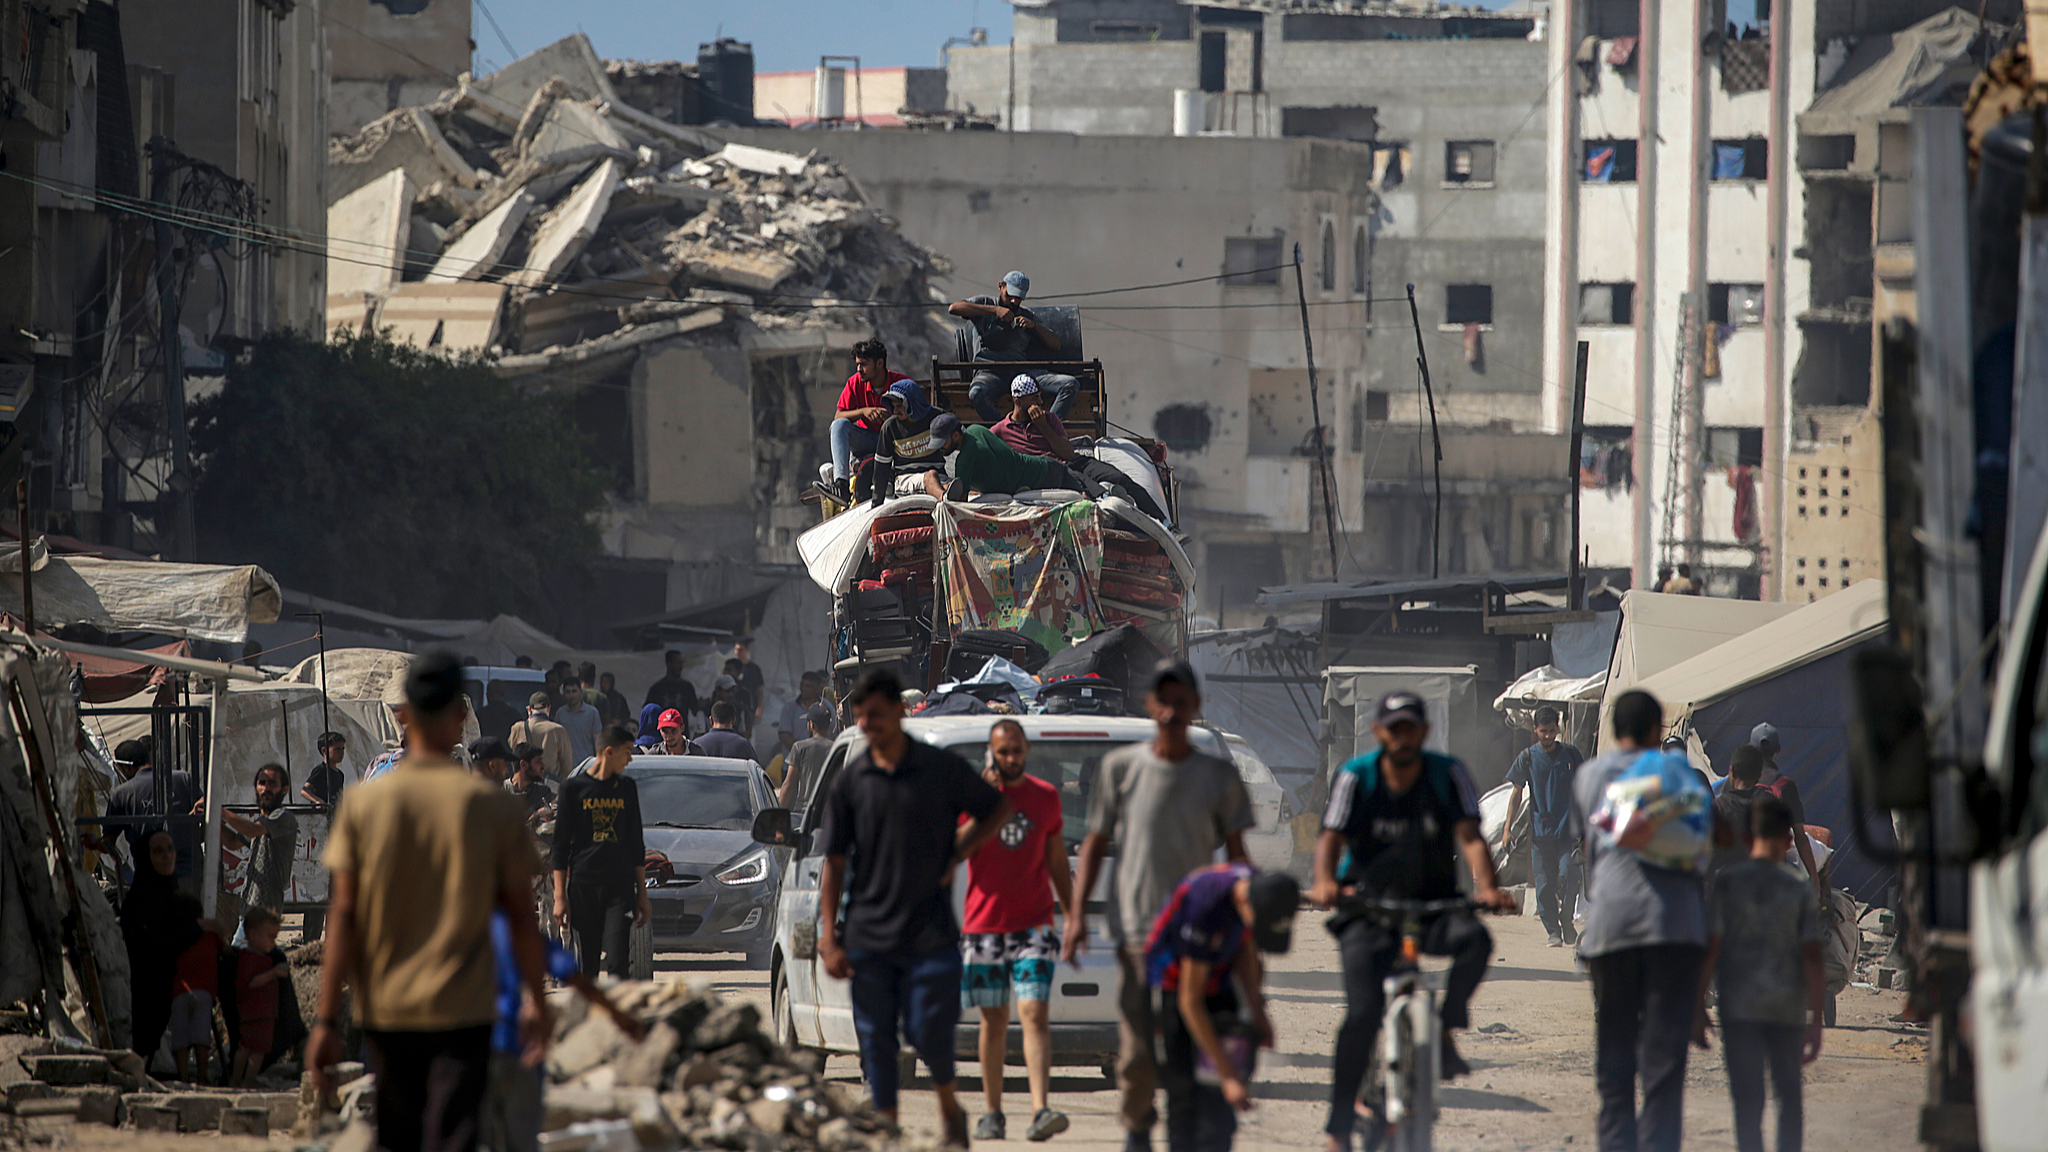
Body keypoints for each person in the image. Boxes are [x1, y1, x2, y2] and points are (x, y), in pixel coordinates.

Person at [310, 651, 555, 1152]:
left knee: (397, 1137)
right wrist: (534, 998)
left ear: (403, 716)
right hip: (465, 1009)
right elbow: (521, 916)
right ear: (459, 718)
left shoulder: (365, 803)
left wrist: (326, 1019)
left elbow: (343, 916)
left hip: (388, 1009)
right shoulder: (492, 807)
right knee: (456, 1135)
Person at [817, 668, 1013, 1146]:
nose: (868, 725)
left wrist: (958, 851)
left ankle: (950, 1109)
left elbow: (996, 809)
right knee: (877, 1041)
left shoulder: (939, 769)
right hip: (867, 936)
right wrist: (828, 935)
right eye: (861, 717)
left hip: (930, 933)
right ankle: (887, 1132)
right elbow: (834, 863)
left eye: (877, 715)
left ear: (900, 713)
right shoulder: (851, 782)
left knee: (929, 1033)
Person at [1064, 660, 1253, 1152]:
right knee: (1136, 1048)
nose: (1171, 711)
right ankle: (1138, 1128)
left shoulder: (1217, 777)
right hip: (1136, 932)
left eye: (1181, 701)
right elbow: (1093, 843)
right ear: (1150, 704)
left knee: (1192, 1038)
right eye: (1162, 700)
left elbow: (1238, 859)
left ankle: (1191, 1132)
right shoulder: (1120, 769)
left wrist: (1246, 924)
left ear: (1196, 706)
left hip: (1199, 933)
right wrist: (1077, 916)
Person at [1311, 691, 1512, 1150]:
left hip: (1434, 905)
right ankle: (1338, 1128)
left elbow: (1471, 837)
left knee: (1476, 941)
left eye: (1411, 729)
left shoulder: (1448, 774)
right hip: (1366, 908)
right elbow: (1330, 837)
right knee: (1361, 1015)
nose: (1402, 738)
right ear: (1379, 732)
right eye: (1393, 729)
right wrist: (1325, 883)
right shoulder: (1355, 777)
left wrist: (1488, 888)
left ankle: (1442, 1031)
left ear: (1424, 732)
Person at [1574, 689, 1708, 1152]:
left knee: (1615, 1052)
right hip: (1673, 929)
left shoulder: (1590, 774)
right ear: (1657, 731)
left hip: (1611, 926)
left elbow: (1595, 846)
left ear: (1614, 731)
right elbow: (1700, 852)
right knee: (1663, 1063)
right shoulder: (1681, 776)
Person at [962, 719, 1076, 1143]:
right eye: (1003, 752)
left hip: (1035, 926)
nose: (1011, 758)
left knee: (1034, 1013)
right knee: (993, 1021)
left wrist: (1075, 913)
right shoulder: (974, 798)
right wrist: (987, 803)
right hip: (983, 927)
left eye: (1017, 751)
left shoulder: (1045, 798)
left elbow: (1058, 863)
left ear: (1027, 750)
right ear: (992, 753)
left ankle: (1040, 1108)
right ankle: (993, 1112)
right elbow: (958, 849)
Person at [1694, 795, 1825, 1152]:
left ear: (1747, 839)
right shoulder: (1798, 888)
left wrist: (1697, 1004)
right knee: (1788, 1097)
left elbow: (1712, 948)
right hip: (1787, 1011)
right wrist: (1817, 1017)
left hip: (1738, 1009)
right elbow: (1812, 956)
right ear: (1788, 841)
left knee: (1748, 1102)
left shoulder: (1727, 884)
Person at [1145, 863, 1296, 1152]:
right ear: (1242, 902)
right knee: (1186, 1093)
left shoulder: (1260, 892)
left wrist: (1257, 1010)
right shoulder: (1204, 906)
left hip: (1220, 977)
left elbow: (1246, 949)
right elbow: (1190, 1001)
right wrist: (1227, 1074)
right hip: (1174, 987)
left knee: (1220, 1110)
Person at [481, 907, 643, 1152]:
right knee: (523, 1139)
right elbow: (577, 980)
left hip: (468, 1052)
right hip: (517, 1049)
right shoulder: (516, 927)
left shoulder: (455, 930)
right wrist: (621, 1018)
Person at [925, 414, 1169, 523]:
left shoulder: (965, 458)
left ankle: (1124, 510)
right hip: (1047, 468)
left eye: (943, 442)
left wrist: (938, 488)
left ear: (956, 435)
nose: (941, 448)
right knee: (1088, 489)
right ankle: (1148, 517)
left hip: (1049, 475)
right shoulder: (977, 429)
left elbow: (959, 501)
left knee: (1090, 497)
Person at [552, 725, 650, 980]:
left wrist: (642, 893)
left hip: (620, 887)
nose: (630, 759)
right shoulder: (572, 789)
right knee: (589, 965)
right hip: (584, 886)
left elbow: (635, 843)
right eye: (627, 752)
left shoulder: (627, 788)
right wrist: (560, 896)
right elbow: (561, 846)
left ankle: (616, 1016)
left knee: (618, 962)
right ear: (609, 751)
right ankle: (591, 1017)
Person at [120, 829, 209, 1065]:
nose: (167, 856)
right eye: (158, 851)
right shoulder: (140, 901)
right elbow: (156, 947)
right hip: (148, 985)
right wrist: (197, 928)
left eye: (170, 849)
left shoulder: (170, 894)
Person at [1503, 705, 1587, 947]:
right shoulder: (1527, 758)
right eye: (1543, 731)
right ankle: (1553, 930)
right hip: (1540, 835)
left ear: (1558, 729)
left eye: (1552, 731)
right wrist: (1507, 828)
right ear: (1535, 729)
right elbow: (1517, 794)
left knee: (1568, 877)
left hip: (1568, 833)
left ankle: (1566, 920)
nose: (1548, 736)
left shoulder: (1571, 755)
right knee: (1543, 887)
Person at [948, 271, 1081, 423]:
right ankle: (1007, 431)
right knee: (976, 393)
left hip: (1021, 373)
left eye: (1018, 298)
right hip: (991, 373)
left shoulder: (1026, 315)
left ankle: (1050, 428)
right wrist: (994, 311)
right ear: (1000, 286)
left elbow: (1056, 345)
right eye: (1009, 295)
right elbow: (954, 308)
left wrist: (1034, 326)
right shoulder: (985, 303)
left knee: (1069, 384)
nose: (1013, 301)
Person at [826, 338, 918, 501]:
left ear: (879, 363)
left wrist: (893, 417)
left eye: (864, 364)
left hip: (895, 443)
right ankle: (841, 485)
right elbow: (838, 416)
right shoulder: (854, 382)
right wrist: (863, 412)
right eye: (857, 364)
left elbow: (918, 417)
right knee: (839, 426)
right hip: (870, 441)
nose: (859, 369)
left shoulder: (902, 383)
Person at [105, 736, 200, 889]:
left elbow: (108, 842)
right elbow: (208, 817)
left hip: (150, 882)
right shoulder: (184, 779)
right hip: (190, 876)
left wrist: (94, 842)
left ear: (127, 767)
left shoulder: (121, 794)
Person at [1747, 724, 1824, 899]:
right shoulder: (1785, 787)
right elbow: (1800, 837)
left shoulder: (1738, 781)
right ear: (1779, 750)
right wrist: (1814, 880)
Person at [222, 763, 299, 917]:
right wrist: (209, 819)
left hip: (265, 910)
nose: (266, 788)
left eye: (272, 783)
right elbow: (231, 842)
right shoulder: (262, 821)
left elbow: (252, 830)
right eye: (262, 783)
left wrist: (219, 811)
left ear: (285, 789)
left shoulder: (283, 817)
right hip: (249, 905)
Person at [867, 381, 951, 504]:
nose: (896, 411)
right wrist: (876, 503)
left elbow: (959, 439)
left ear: (913, 404)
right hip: (905, 480)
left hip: (940, 478)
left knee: (950, 486)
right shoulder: (890, 428)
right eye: (893, 406)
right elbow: (881, 469)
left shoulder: (937, 418)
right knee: (930, 476)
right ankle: (946, 501)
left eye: (900, 406)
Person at [169, 902, 226, 1082]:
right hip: (204, 991)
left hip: (179, 991)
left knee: (180, 1037)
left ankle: (183, 1076)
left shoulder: (175, 936)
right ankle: (202, 1076)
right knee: (201, 1035)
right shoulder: (210, 935)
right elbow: (226, 950)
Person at [230, 907, 285, 1087]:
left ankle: (237, 1079)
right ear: (253, 935)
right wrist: (273, 974)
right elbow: (251, 982)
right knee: (256, 1050)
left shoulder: (257, 958)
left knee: (245, 1047)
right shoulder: (250, 960)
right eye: (270, 937)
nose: (274, 943)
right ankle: (247, 1080)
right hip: (256, 1013)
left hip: (257, 1012)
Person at [1710, 746, 1768, 879]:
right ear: (1759, 776)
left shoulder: (1718, 808)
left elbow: (1711, 855)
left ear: (1732, 771)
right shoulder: (1771, 805)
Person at [509, 693, 573, 782]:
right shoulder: (559, 730)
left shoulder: (518, 728)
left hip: (523, 784)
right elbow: (567, 766)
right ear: (549, 709)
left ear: (529, 709)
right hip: (549, 786)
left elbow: (512, 755)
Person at [784, 704, 838, 807]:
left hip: (804, 812)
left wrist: (778, 814)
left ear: (811, 724)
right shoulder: (836, 748)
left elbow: (788, 784)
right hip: (828, 810)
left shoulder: (799, 747)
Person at [553, 679, 605, 765]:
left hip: (587, 765)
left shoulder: (592, 713)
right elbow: (556, 741)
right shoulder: (560, 714)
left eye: (574, 691)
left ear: (580, 692)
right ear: (564, 694)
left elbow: (598, 740)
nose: (571, 695)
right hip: (566, 766)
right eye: (568, 692)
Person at [778, 670, 831, 753]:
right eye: (802, 685)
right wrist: (801, 751)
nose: (804, 689)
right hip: (796, 760)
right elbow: (784, 734)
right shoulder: (790, 707)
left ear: (818, 688)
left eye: (809, 686)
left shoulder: (826, 707)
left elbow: (834, 730)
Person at [645, 650, 700, 722]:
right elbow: (647, 712)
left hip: (681, 731)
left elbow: (695, 710)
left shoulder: (687, 687)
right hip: (662, 731)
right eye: (677, 663)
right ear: (669, 664)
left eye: (681, 663)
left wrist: (701, 705)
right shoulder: (657, 689)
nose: (681, 666)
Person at [508, 743, 556, 822]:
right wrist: (535, 816)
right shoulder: (500, 790)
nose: (543, 765)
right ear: (523, 764)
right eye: (538, 761)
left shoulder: (542, 793)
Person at [731, 637, 767, 731]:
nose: (738, 652)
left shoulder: (754, 669)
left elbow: (759, 690)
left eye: (741, 650)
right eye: (736, 649)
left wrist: (759, 708)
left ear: (747, 651)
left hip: (750, 707)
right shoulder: (731, 667)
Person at [304, 732, 348, 808]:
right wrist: (318, 801)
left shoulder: (340, 774)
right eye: (337, 749)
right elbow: (304, 790)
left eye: (342, 749)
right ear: (324, 751)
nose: (341, 753)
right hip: (322, 815)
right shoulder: (320, 770)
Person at [711, 672, 755, 740]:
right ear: (718, 691)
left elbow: (743, 734)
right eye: (727, 691)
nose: (730, 694)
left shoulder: (739, 710)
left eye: (732, 691)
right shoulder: (706, 710)